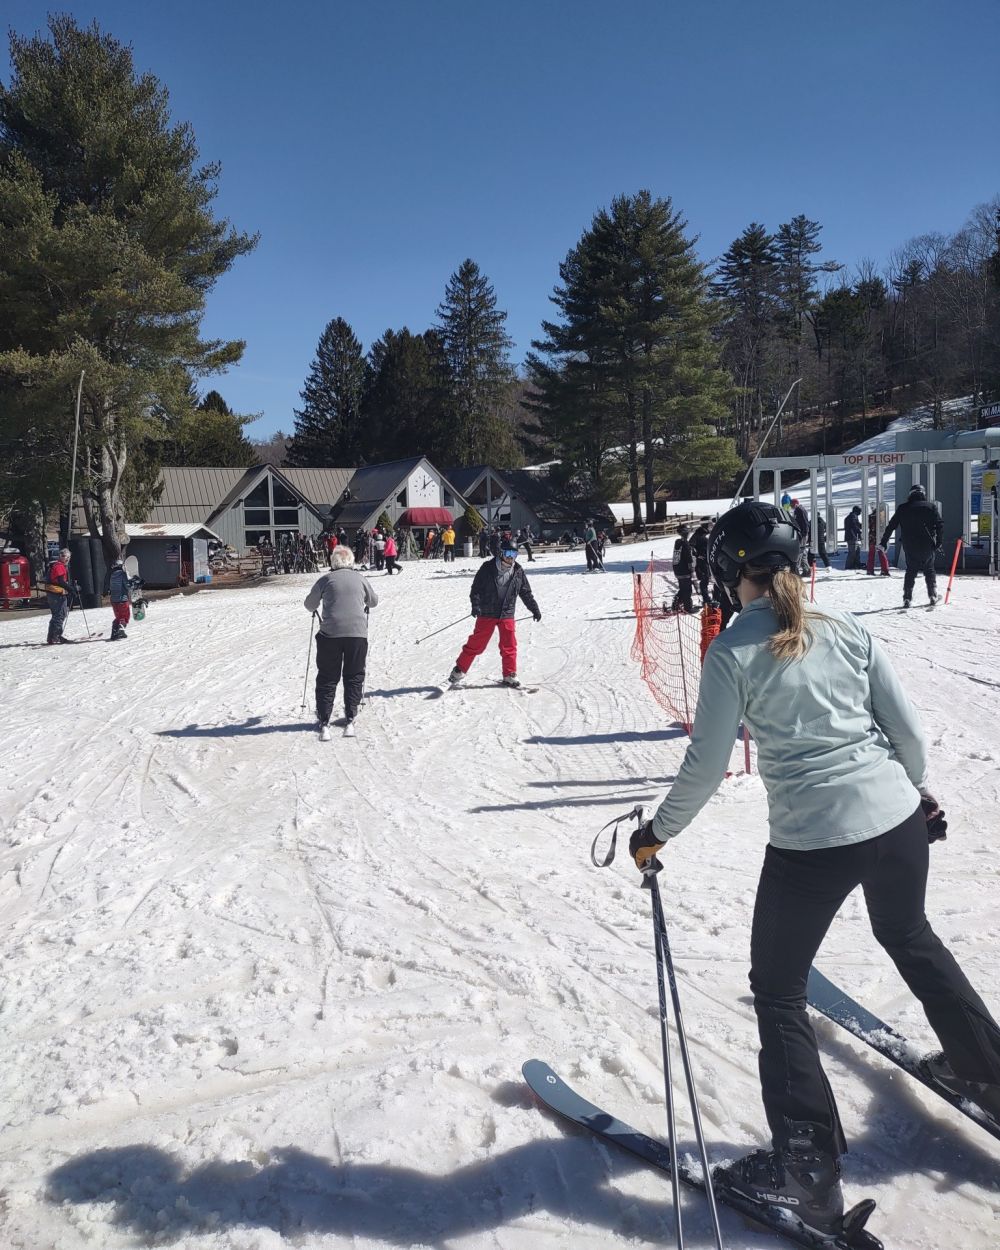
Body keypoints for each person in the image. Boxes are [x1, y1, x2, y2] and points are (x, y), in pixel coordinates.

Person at [627, 500, 1000, 1237]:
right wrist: (913, 795)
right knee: (909, 932)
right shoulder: (845, 627)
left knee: (779, 992)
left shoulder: (733, 649)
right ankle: (987, 1071)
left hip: (814, 842)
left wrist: (656, 833)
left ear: (734, 573)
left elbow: (705, 766)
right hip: (896, 821)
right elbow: (906, 733)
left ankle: (806, 1167)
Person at [303, 546, 378, 740]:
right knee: (354, 675)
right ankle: (351, 717)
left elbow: (309, 605)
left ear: (333, 562)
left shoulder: (326, 579)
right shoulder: (361, 579)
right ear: (351, 561)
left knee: (328, 677)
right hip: (357, 635)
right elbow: (373, 601)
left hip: (330, 634)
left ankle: (324, 719)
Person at [448, 542, 540, 689]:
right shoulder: (487, 568)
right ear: (501, 553)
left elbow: (525, 592)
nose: (511, 558)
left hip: (506, 613)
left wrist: (534, 608)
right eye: (508, 554)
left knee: (509, 644)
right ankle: (459, 670)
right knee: (477, 644)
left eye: (514, 555)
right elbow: (476, 589)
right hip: (487, 612)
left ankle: (510, 674)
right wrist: (476, 605)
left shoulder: (518, 570)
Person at [880, 484, 943, 608]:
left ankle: (907, 598)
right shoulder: (931, 507)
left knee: (911, 570)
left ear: (910, 494)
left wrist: (883, 542)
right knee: (929, 569)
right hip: (927, 544)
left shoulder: (903, 508)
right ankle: (932, 595)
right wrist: (939, 542)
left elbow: (891, 526)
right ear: (923, 494)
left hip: (909, 545)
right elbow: (940, 525)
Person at [44, 547, 74, 644]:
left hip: (52, 593)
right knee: (60, 615)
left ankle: (51, 637)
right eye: (65, 556)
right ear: (60, 556)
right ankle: (56, 636)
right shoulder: (59, 566)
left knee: (56, 615)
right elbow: (61, 581)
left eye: (68, 557)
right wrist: (71, 589)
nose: (67, 559)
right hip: (56, 594)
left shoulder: (54, 565)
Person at [104, 557, 131, 641]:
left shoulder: (112, 575)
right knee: (125, 616)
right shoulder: (122, 574)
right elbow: (127, 585)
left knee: (119, 616)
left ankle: (114, 633)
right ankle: (120, 631)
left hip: (114, 600)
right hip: (122, 599)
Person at [670, 524, 695, 613]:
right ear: (685, 533)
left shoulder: (678, 542)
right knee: (687, 589)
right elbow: (688, 558)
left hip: (677, 569)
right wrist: (692, 569)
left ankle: (676, 602)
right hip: (684, 570)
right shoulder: (685, 543)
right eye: (688, 532)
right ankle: (688, 608)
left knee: (683, 588)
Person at [692, 517, 712, 601]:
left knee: (708, 578)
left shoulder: (707, 533)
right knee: (704, 580)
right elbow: (690, 545)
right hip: (702, 561)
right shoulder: (698, 534)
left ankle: (708, 597)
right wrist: (697, 555)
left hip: (708, 560)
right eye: (709, 523)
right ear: (705, 524)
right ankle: (706, 599)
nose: (711, 525)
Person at [866, 510, 890, 576]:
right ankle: (884, 570)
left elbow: (867, 526)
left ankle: (870, 570)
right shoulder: (882, 516)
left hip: (872, 537)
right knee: (882, 554)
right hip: (880, 537)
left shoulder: (870, 517)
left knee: (871, 554)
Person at [790, 498, 811, 575]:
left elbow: (805, 522)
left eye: (791, 504)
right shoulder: (798, 510)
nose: (790, 506)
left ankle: (796, 570)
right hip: (802, 533)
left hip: (802, 534)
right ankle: (806, 570)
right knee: (802, 552)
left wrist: (804, 533)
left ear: (795, 503)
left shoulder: (800, 510)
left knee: (799, 551)